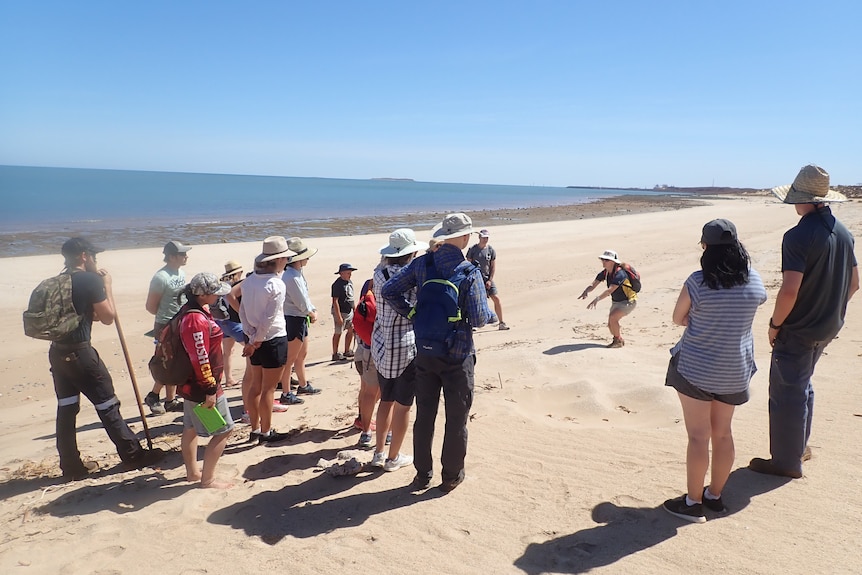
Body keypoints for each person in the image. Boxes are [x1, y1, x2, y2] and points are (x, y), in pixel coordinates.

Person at [749, 165, 858, 479]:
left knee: (786, 392)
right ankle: (799, 448)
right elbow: (854, 284)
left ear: (803, 200)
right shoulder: (843, 232)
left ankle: (786, 461)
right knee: (803, 384)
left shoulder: (797, 236)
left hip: (798, 328)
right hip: (828, 325)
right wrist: (829, 309)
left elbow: (790, 290)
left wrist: (774, 325)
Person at [661, 220, 767, 523]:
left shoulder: (697, 281)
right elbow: (754, 303)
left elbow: (677, 318)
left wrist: (700, 320)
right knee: (723, 434)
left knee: (698, 437)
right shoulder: (755, 281)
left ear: (705, 248)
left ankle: (693, 503)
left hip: (696, 368)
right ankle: (715, 497)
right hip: (735, 370)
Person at [382, 213, 492, 492]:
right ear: (466, 238)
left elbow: (388, 290)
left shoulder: (422, 263)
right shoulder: (469, 270)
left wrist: (413, 313)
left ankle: (422, 474)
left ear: (444, 236)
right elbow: (479, 319)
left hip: (426, 351)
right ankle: (451, 475)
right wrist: (490, 313)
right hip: (458, 355)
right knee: (456, 418)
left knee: (425, 415)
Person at [50, 237, 163, 480]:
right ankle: (133, 455)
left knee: (67, 409)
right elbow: (109, 316)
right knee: (107, 404)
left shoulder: (59, 282)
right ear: (83, 256)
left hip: (57, 352)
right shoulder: (90, 280)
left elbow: (87, 315)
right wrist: (107, 285)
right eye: (93, 255)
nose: (95, 260)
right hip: (81, 353)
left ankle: (70, 466)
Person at [368, 229, 428, 472]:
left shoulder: (379, 273)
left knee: (386, 400)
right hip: (405, 345)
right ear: (410, 253)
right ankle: (393, 458)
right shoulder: (410, 277)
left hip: (382, 344)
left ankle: (379, 452)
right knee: (404, 405)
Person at [176, 273, 235, 488]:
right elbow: (200, 357)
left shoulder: (193, 311)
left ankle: (193, 473)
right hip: (202, 384)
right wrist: (210, 389)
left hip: (191, 383)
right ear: (205, 295)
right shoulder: (195, 319)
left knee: (190, 427)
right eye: (215, 293)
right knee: (224, 430)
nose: (218, 296)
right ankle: (207, 479)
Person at [239, 237, 293, 444]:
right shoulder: (276, 284)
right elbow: (269, 318)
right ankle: (266, 431)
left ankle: (254, 429)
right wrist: (258, 339)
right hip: (272, 338)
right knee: (268, 389)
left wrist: (251, 338)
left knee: (256, 386)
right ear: (278, 260)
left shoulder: (249, 280)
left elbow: (243, 311)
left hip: (254, 337)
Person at [144, 240, 191, 414]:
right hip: (165, 324)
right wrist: (165, 319)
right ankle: (153, 395)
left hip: (179, 321)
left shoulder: (180, 272)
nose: (186, 256)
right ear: (171, 257)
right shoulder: (161, 277)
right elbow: (150, 306)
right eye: (182, 254)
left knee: (176, 361)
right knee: (166, 361)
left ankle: (170, 400)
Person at [279, 237, 322, 404]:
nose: (308, 258)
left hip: (300, 317)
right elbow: (300, 302)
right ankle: (286, 392)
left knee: (301, 354)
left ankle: (303, 384)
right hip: (293, 319)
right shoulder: (291, 276)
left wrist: (312, 310)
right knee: (290, 358)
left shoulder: (296, 273)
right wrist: (311, 313)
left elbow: (305, 297)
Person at [578, 249, 637, 348]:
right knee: (610, 324)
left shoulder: (620, 274)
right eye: (602, 259)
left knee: (613, 318)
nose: (603, 262)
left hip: (628, 301)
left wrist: (597, 299)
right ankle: (619, 339)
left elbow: (610, 290)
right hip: (616, 301)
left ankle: (617, 341)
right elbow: (593, 284)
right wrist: (586, 291)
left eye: (606, 260)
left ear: (613, 262)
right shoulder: (605, 273)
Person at [466, 228, 510, 330]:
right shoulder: (472, 249)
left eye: (487, 238)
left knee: (496, 299)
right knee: (475, 301)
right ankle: (474, 324)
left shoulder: (491, 250)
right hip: (475, 279)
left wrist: (490, 280)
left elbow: (492, 266)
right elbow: (468, 264)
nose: (485, 239)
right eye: (483, 238)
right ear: (479, 237)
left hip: (487, 279)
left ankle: (501, 323)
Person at [214, 260, 245, 388]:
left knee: (227, 352)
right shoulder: (237, 286)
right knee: (254, 347)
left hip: (221, 322)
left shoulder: (222, 285)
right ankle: (255, 375)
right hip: (234, 322)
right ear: (238, 273)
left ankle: (229, 379)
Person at [331, 263, 357, 361]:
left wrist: (354, 310)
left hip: (349, 311)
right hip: (341, 311)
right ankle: (335, 353)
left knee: (351, 330)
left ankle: (347, 350)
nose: (350, 275)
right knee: (338, 332)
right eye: (348, 273)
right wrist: (338, 316)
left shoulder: (349, 282)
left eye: (350, 273)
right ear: (341, 273)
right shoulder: (337, 285)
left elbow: (351, 298)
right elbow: (335, 301)